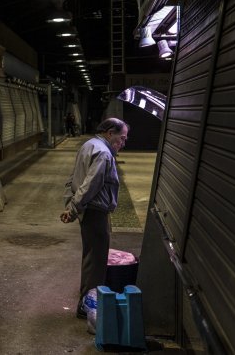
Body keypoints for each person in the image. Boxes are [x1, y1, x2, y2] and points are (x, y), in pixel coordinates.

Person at [60, 117, 129, 319]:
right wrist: (73, 208)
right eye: (122, 138)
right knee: (96, 262)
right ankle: (87, 306)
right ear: (110, 133)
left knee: (91, 258)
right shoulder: (104, 154)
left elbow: (73, 178)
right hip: (96, 212)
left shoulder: (89, 145)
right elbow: (90, 185)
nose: (123, 143)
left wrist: (70, 205)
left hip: (89, 211)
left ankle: (86, 301)